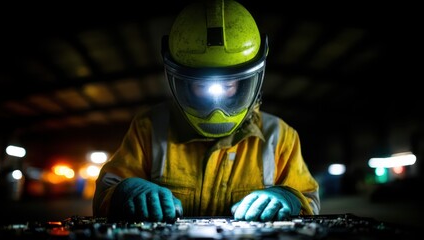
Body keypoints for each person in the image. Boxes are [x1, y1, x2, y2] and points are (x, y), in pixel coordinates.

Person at [93, 0, 320, 223]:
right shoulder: (149, 127)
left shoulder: (279, 136)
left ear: (247, 83)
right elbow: (104, 197)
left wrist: (290, 199)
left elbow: (309, 201)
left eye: (228, 85)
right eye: (201, 86)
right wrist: (123, 192)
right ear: (180, 83)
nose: (216, 106)